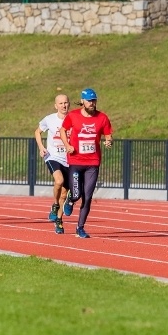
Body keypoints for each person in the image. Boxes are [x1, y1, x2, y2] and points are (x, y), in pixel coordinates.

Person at [59, 88, 113, 239]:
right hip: (76, 161)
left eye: (94, 100)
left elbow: (108, 135)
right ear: (82, 101)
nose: (92, 103)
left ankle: (80, 227)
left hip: (93, 162)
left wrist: (108, 141)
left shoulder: (102, 117)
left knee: (87, 196)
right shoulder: (73, 116)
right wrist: (67, 145)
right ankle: (70, 200)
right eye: (89, 100)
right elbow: (63, 130)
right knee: (77, 195)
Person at [35, 94, 71, 234]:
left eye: (66, 103)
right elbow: (37, 132)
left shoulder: (73, 118)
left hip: (69, 159)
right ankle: (55, 205)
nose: (64, 105)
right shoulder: (49, 119)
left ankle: (59, 222)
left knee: (64, 194)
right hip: (53, 156)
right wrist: (41, 147)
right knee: (59, 180)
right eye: (61, 103)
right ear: (56, 105)